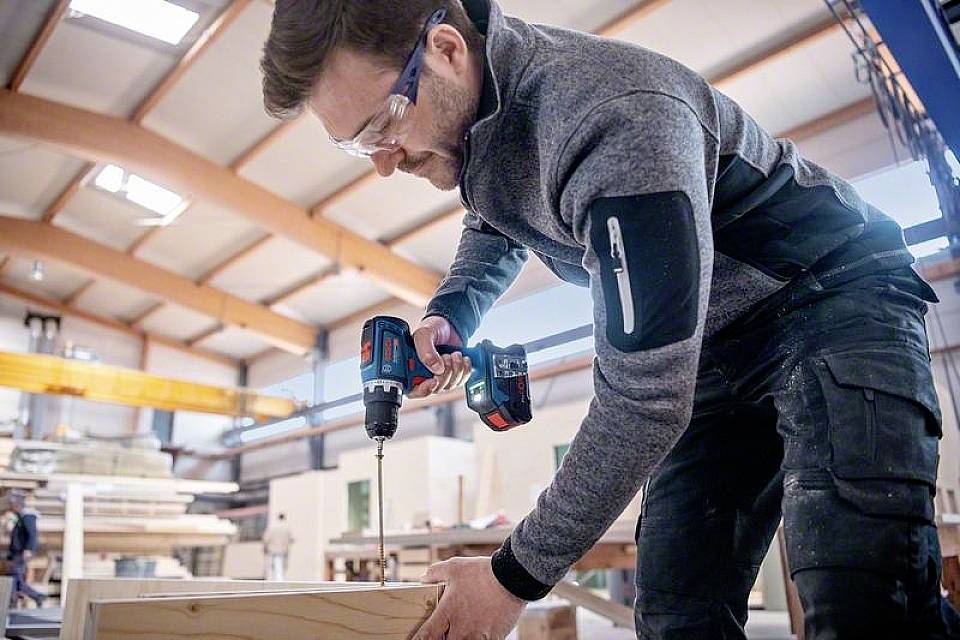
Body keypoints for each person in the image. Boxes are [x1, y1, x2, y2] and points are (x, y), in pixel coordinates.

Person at [261, 1, 953, 637]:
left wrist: (510, 579)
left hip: (830, 294)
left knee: (865, 598)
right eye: (357, 145)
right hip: (715, 339)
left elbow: (646, 400)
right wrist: (452, 312)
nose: (382, 163)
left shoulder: (614, 118)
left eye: (382, 124)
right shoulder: (479, 129)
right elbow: (494, 219)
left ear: (444, 49)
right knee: (677, 610)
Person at [6, 491, 44, 607]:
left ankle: (36, 596)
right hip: (16, 553)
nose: (11, 507)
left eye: (12, 504)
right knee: (15, 578)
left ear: (17, 504)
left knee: (15, 578)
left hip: (21, 553)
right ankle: (15, 600)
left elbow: (32, 534)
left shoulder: (28, 517)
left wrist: (28, 549)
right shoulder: (20, 517)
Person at [262, 513, 294, 581]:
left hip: (272, 551)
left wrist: (265, 547)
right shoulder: (286, 528)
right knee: (280, 569)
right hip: (283, 551)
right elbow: (291, 539)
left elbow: (266, 538)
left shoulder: (273, 527)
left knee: (273, 569)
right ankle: (279, 582)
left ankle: (275, 582)